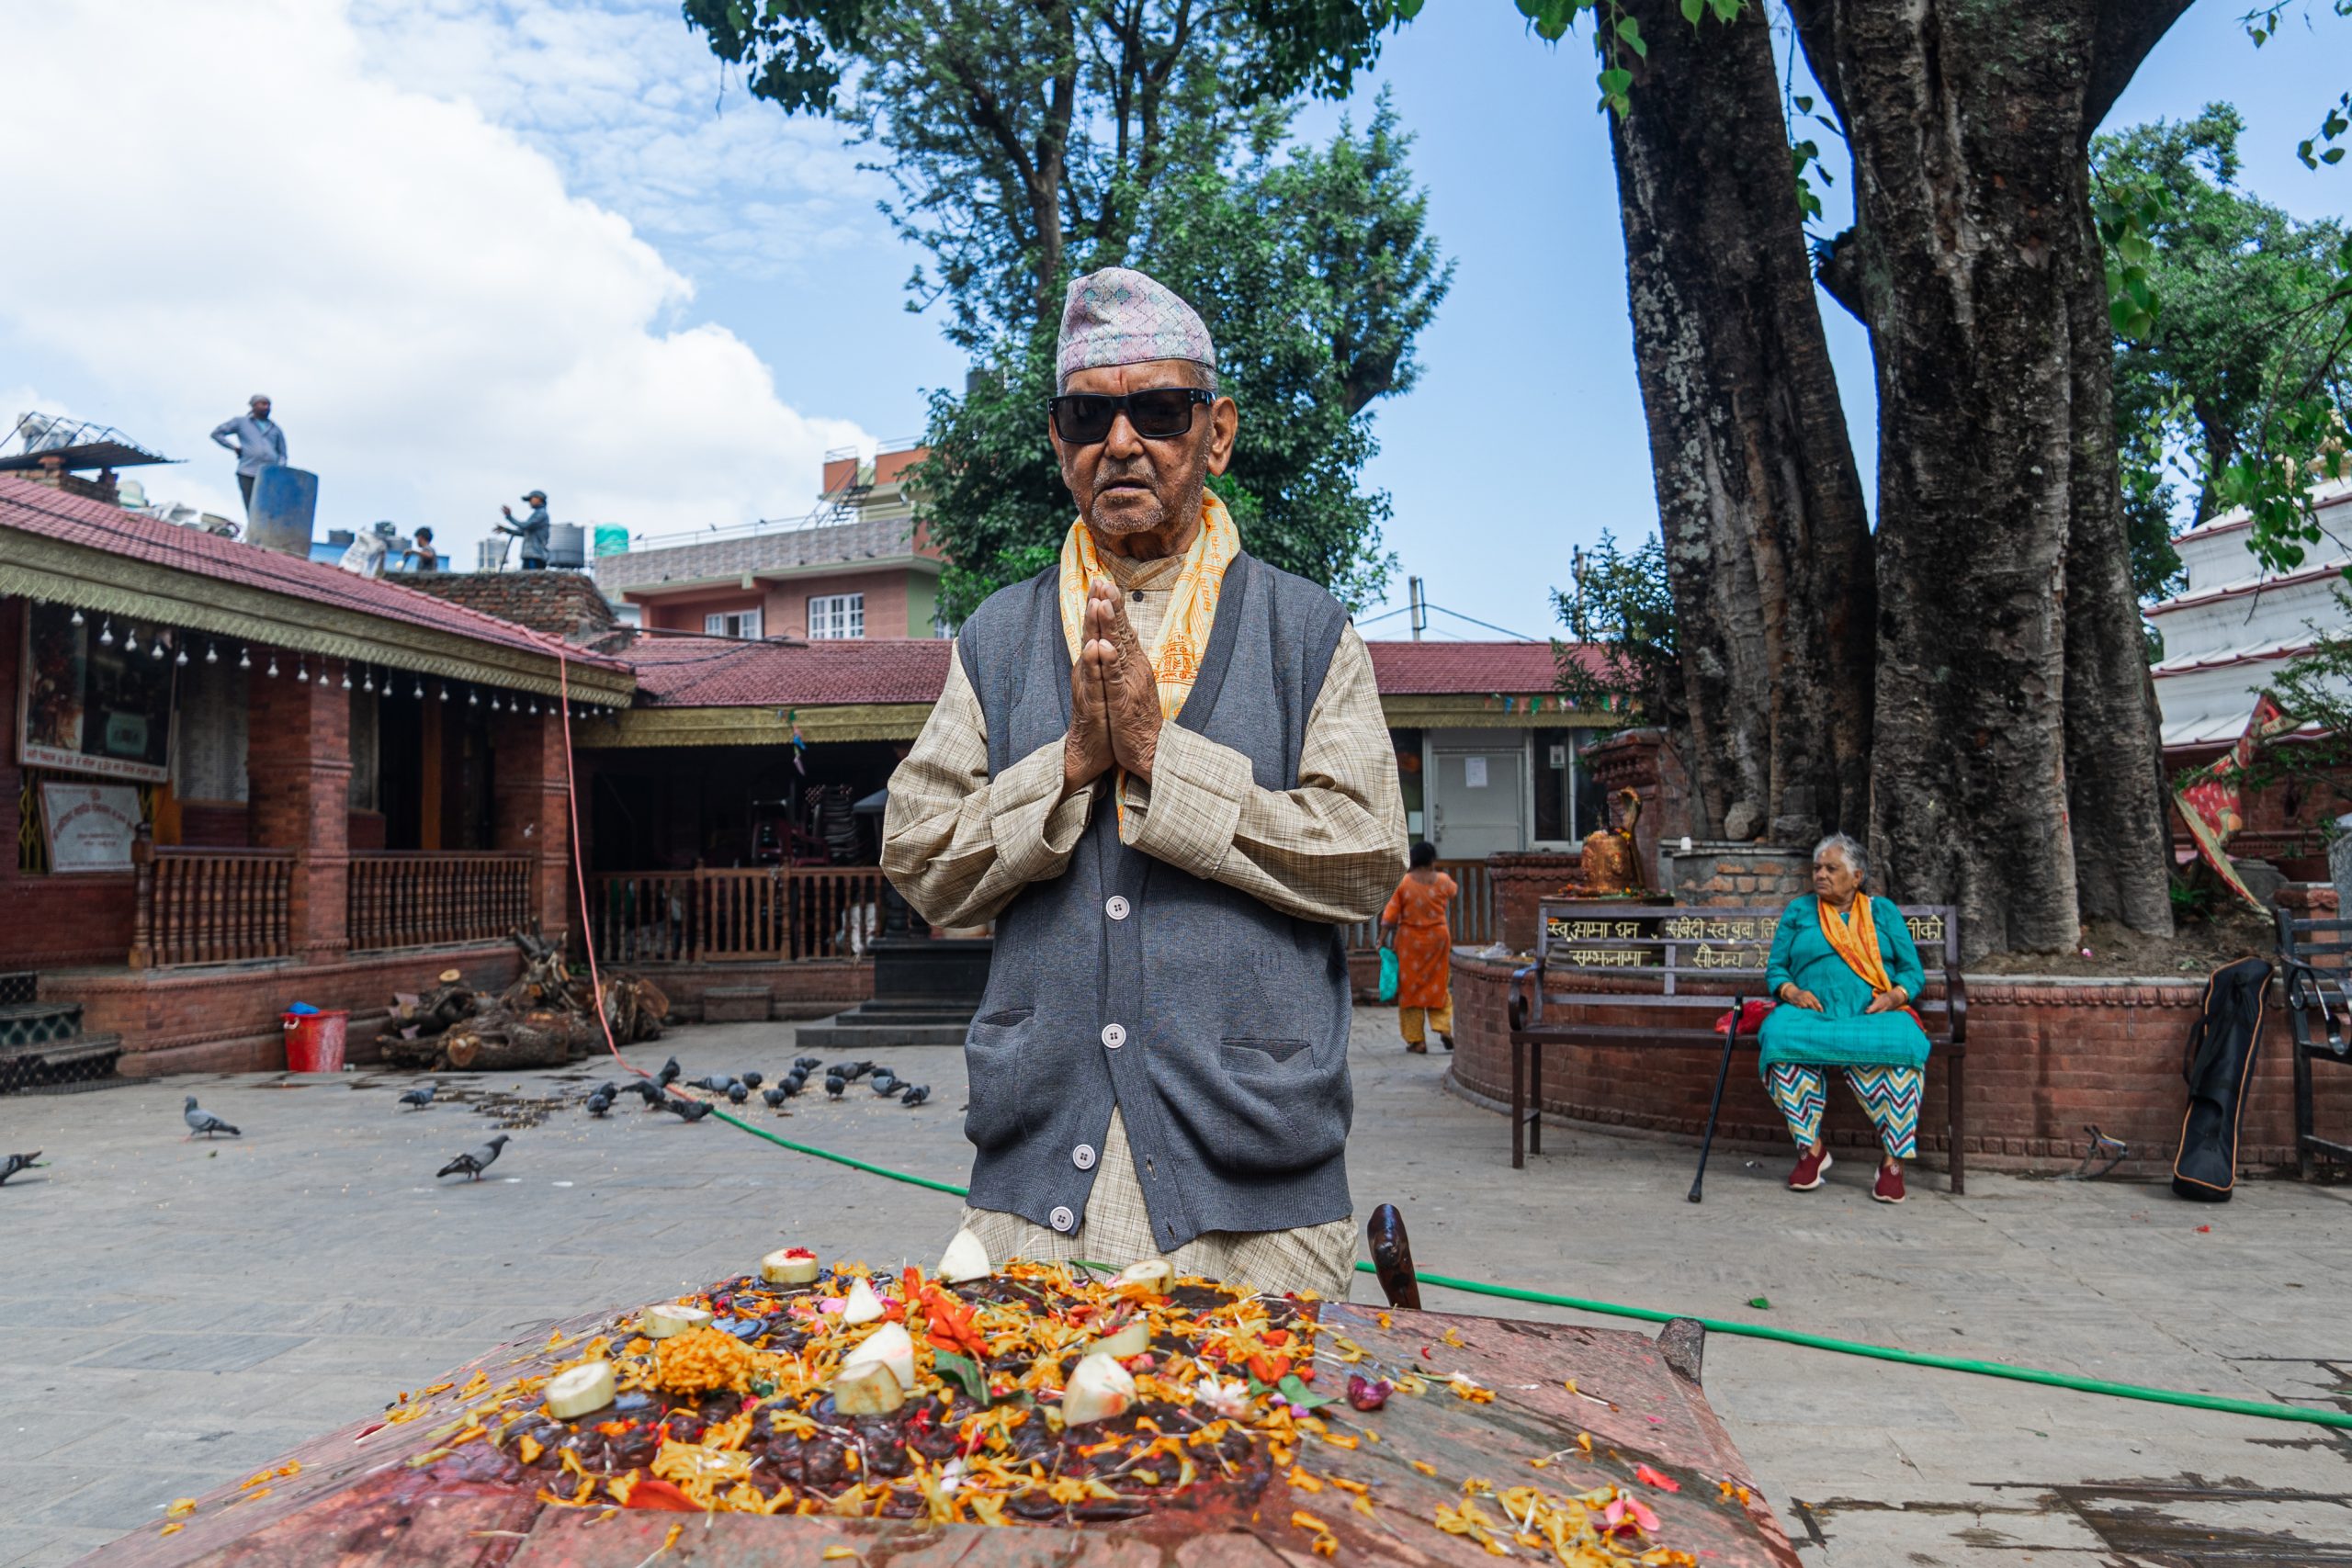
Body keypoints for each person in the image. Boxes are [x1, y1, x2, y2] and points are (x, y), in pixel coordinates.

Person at [882, 266, 1408, 1298]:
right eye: (1089, 416)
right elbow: (919, 853)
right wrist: (1070, 764)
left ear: (1217, 434)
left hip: (1259, 1192)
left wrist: (1164, 760)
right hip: (1034, 1188)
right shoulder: (997, 636)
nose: (1120, 443)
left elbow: (1364, 855)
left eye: (1159, 412)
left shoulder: (1304, 630)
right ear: (1059, 443)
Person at [1758, 832, 1930, 1204]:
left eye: (1831, 868)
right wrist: (1792, 992)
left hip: (1871, 1013)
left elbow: (1912, 972)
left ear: (1857, 877)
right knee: (1777, 1036)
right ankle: (1811, 1149)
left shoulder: (1882, 912)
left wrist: (1894, 996)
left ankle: (1893, 1161)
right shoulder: (1799, 911)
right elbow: (1776, 969)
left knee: (1906, 1043)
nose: (1820, 875)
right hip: (1813, 1014)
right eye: (1817, 868)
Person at [1380, 841, 1457, 1053]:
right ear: (1432, 860)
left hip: (1410, 943)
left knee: (1410, 989)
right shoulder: (1443, 880)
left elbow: (1390, 916)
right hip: (1438, 939)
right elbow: (1453, 892)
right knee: (1439, 984)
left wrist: (1381, 939)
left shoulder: (1404, 883)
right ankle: (1443, 1028)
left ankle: (1417, 1041)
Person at [209, 395, 286, 513]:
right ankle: (253, 525)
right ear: (254, 406)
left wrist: (280, 468)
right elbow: (217, 434)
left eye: (268, 405)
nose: (267, 407)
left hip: (270, 473)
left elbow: (282, 453)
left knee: (268, 506)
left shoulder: (275, 428)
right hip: (248, 471)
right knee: (251, 505)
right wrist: (234, 448)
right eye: (263, 404)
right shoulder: (241, 422)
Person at [500, 491, 551, 569]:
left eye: (531, 499)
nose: (530, 502)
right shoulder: (537, 514)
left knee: (532, 575)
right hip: (531, 555)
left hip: (535, 555)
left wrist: (510, 517)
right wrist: (507, 530)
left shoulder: (541, 513)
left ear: (539, 499)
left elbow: (525, 526)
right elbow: (524, 532)